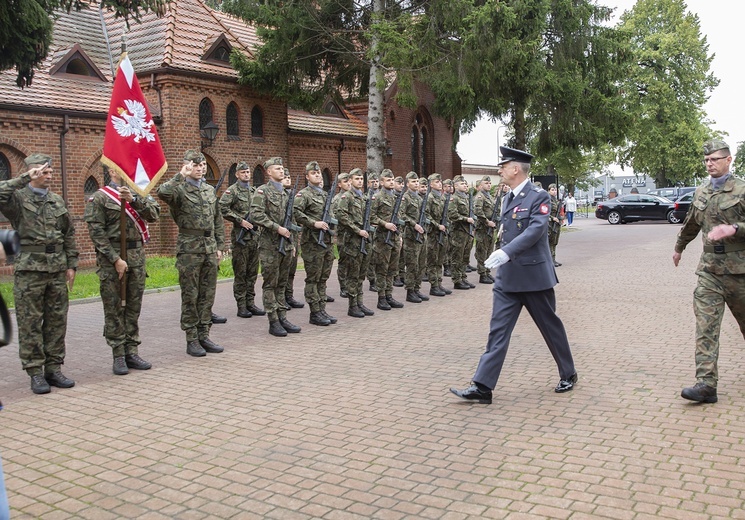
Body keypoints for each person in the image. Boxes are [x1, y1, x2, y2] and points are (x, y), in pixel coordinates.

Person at [450, 146, 577, 404]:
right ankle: (482, 386)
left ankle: (568, 373)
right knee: (498, 331)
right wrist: (503, 254)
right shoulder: (507, 197)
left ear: (515, 168)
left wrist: (506, 252)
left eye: (503, 166)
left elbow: (536, 230)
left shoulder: (538, 196)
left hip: (532, 277)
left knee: (549, 327)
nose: (499, 170)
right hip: (508, 278)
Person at [0, 154, 78, 394]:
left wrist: (71, 264)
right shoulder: (17, 199)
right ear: (32, 173)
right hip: (30, 271)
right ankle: (35, 372)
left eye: (50, 171)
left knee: (56, 321)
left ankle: (53, 369)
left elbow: (68, 233)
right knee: (30, 322)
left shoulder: (57, 201)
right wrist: (24, 178)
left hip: (56, 268)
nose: (49, 175)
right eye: (43, 172)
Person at [674, 139, 745, 404]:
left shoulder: (742, 189)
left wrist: (735, 229)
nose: (709, 163)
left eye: (714, 159)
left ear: (728, 160)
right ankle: (706, 384)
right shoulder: (702, 191)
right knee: (706, 327)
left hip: (740, 272)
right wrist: (679, 247)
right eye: (706, 160)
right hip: (709, 272)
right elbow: (692, 221)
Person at [84, 166, 160, 375]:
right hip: (113, 259)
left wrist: (134, 200)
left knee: (133, 306)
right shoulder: (100, 198)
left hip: (137, 257)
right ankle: (118, 354)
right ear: (112, 171)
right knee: (115, 307)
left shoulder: (139, 194)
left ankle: (132, 351)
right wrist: (115, 259)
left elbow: (155, 215)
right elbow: (96, 233)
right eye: (120, 169)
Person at [157, 150, 226, 357]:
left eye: (202, 165)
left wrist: (220, 246)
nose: (200, 168)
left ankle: (204, 335)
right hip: (189, 249)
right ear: (187, 166)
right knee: (191, 295)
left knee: (207, 294)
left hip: (209, 247)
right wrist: (180, 174)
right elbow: (162, 193)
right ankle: (192, 339)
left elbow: (218, 220)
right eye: (195, 165)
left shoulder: (208, 190)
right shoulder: (179, 189)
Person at [250, 157, 302, 337]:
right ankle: (273, 321)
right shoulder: (262, 192)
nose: (281, 171)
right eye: (277, 168)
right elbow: (255, 215)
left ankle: (283, 316)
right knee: (270, 284)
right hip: (269, 245)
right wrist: (276, 228)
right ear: (269, 172)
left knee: (282, 283)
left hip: (286, 245)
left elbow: (293, 220)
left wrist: (293, 243)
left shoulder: (287, 194)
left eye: (282, 168)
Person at [219, 161, 266, 319]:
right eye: (243, 172)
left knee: (252, 273)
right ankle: (241, 306)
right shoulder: (232, 191)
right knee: (241, 273)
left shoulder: (254, 192)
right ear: (237, 174)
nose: (246, 174)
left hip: (255, 238)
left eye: (248, 172)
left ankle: (250, 303)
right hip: (241, 239)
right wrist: (240, 220)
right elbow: (223, 208)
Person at [293, 161, 337, 326]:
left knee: (323, 278)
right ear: (307, 177)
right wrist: (314, 223)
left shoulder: (325, 195)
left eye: (318, 173)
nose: (317, 175)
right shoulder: (303, 195)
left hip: (326, 242)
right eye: (313, 173)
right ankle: (314, 312)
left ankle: (322, 308)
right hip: (312, 242)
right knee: (313, 278)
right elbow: (296, 213)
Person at [335, 168, 373, 317]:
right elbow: (340, 215)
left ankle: (360, 302)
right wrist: (357, 230)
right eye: (357, 179)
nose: (360, 181)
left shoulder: (363, 198)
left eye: (361, 179)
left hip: (364, 240)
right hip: (352, 241)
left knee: (361, 275)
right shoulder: (347, 197)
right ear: (350, 180)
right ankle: (352, 306)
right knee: (353, 274)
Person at [371, 169, 404, 310]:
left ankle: (389, 295)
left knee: (392, 268)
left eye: (392, 180)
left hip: (395, 237)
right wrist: (385, 224)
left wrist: (400, 235)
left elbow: (400, 218)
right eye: (388, 180)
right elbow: (371, 217)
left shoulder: (396, 198)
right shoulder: (377, 197)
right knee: (382, 269)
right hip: (382, 238)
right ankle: (381, 297)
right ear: (382, 182)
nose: (391, 182)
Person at [400, 172, 428, 303]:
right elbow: (402, 215)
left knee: (421, 264)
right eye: (413, 182)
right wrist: (414, 224)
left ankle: (417, 288)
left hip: (421, 235)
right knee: (412, 265)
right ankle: (410, 291)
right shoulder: (405, 198)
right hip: (411, 236)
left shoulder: (419, 198)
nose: (416, 184)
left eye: (417, 182)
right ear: (407, 184)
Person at [424, 173, 451, 297]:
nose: (439, 184)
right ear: (431, 184)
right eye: (436, 182)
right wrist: (437, 225)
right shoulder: (429, 198)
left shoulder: (442, 198)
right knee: (433, 260)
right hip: (433, 234)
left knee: (440, 260)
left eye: (440, 182)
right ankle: (433, 286)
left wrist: (446, 224)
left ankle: (439, 283)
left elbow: (446, 214)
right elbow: (426, 216)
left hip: (442, 232)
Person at [282, 168, 305, 310]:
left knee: (292, 270)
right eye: (285, 177)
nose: (288, 179)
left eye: (289, 176)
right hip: (284, 237)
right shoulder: (280, 196)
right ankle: (282, 297)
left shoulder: (293, 196)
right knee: (283, 271)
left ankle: (289, 296)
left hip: (294, 238)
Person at [448, 175, 475, 290]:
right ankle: (457, 280)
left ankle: (463, 277)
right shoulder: (454, 198)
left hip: (467, 231)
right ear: (456, 186)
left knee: (465, 257)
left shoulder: (467, 198)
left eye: (465, 184)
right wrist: (465, 219)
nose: (465, 185)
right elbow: (452, 215)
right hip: (458, 232)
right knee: (457, 257)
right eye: (462, 184)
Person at [474, 175, 497, 284]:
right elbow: (478, 211)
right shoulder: (480, 197)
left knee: (489, 251)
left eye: (489, 183)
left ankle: (487, 272)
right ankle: (482, 274)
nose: (488, 185)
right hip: (483, 228)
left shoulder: (490, 197)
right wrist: (487, 222)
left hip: (491, 228)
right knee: (482, 252)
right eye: (486, 183)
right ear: (481, 185)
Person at [332, 172, 351, 298]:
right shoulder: (337, 199)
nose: (348, 183)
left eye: (349, 181)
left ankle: (351, 285)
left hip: (353, 235)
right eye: (345, 182)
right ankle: (343, 286)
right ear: (339, 184)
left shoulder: (353, 197)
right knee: (344, 262)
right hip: (343, 235)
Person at [547, 183, 564, 267]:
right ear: (548, 191)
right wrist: (552, 218)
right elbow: (545, 212)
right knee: (550, 242)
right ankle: (550, 260)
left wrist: (560, 218)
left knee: (554, 242)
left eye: (555, 190)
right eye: (552, 190)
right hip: (550, 223)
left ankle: (553, 259)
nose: (554, 191)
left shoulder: (556, 200)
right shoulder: (547, 200)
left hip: (557, 223)